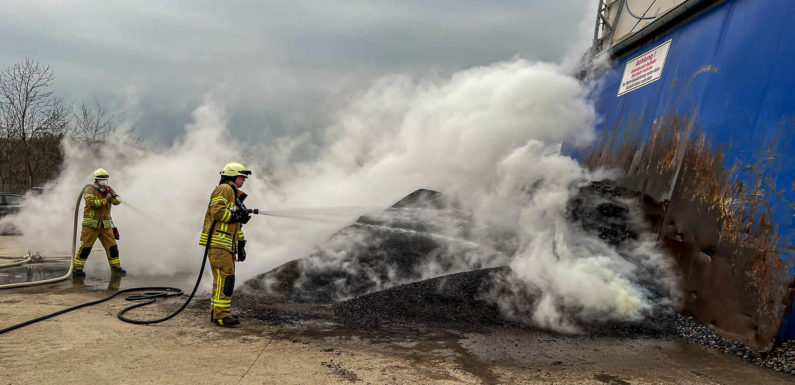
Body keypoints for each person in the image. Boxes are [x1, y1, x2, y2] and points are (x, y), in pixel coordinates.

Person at [200, 162, 252, 327]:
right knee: (226, 278)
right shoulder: (224, 189)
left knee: (221, 280)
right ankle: (222, 315)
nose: (243, 180)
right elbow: (218, 212)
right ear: (232, 175)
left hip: (225, 245)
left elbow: (236, 227)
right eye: (241, 177)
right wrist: (237, 215)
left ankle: (217, 312)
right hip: (218, 244)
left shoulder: (233, 193)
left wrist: (241, 245)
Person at [73, 168, 125, 277]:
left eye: (105, 179)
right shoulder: (89, 189)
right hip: (91, 225)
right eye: (102, 180)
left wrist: (117, 198)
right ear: (96, 180)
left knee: (112, 247)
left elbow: (115, 202)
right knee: (85, 248)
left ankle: (116, 268)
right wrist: (106, 199)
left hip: (105, 225)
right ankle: (77, 269)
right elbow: (92, 203)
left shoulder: (109, 189)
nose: (104, 181)